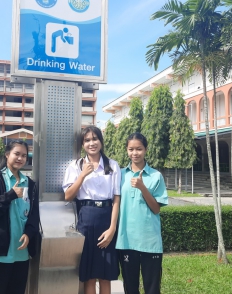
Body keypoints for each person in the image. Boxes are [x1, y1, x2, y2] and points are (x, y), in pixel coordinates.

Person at [62, 126, 121, 294]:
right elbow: (68, 195)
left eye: (95, 139)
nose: (92, 143)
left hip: (106, 218)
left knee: (105, 273)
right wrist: (82, 175)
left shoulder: (112, 165)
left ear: (101, 141)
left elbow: (116, 198)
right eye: (87, 140)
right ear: (82, 144)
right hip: (86, 218)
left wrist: (112, 228)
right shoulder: (75, 166)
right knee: (89, 273)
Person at [0, 140, 40, 294]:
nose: (20, 158)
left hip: (22, 251)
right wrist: (10, 195)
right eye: (16, 154)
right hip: (0, 252)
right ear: (7, 155)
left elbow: (34, 215)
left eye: (24, 155)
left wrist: (29, 232)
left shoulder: (30, 184)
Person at [116, 133, 168, 294]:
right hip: (126, 240)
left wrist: (142, 187)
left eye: (139, 149)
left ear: (145, 150)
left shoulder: (155, 176)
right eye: (131, 149)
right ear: (126, 150)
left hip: (149, 241)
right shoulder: (120, 175)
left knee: (152, 289)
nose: (135, 153)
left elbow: (156, 208)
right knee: (130, 288)